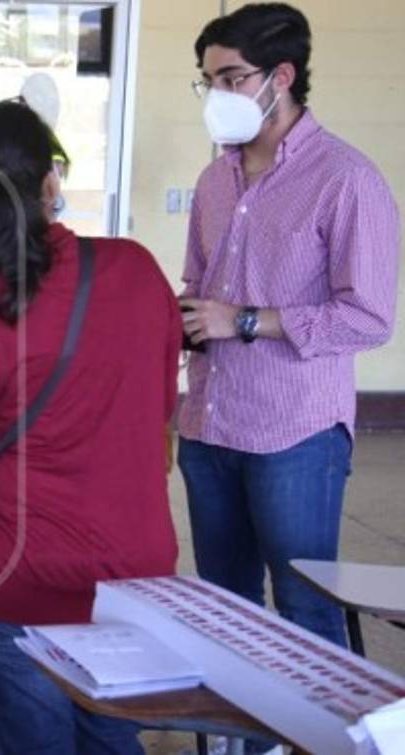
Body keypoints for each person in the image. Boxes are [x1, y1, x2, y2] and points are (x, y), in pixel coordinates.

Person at [0, 100, 182, 754]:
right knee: (113, 740)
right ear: (51, 181)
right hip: (132, 575)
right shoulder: (136, 269)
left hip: (13, 578)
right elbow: (160, 409)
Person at [179, 3, 399, 650]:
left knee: (306, 605)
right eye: (208, 81)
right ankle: (241, 716)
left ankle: (322, 714)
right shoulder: (214, 180)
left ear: (282, 76)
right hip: (209, 424)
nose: (217, 95)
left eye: (231, 78)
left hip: (295, 431)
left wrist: (246, 320)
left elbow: (368, 318)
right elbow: (197, 286)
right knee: (224, 607)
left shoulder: (346, 179)